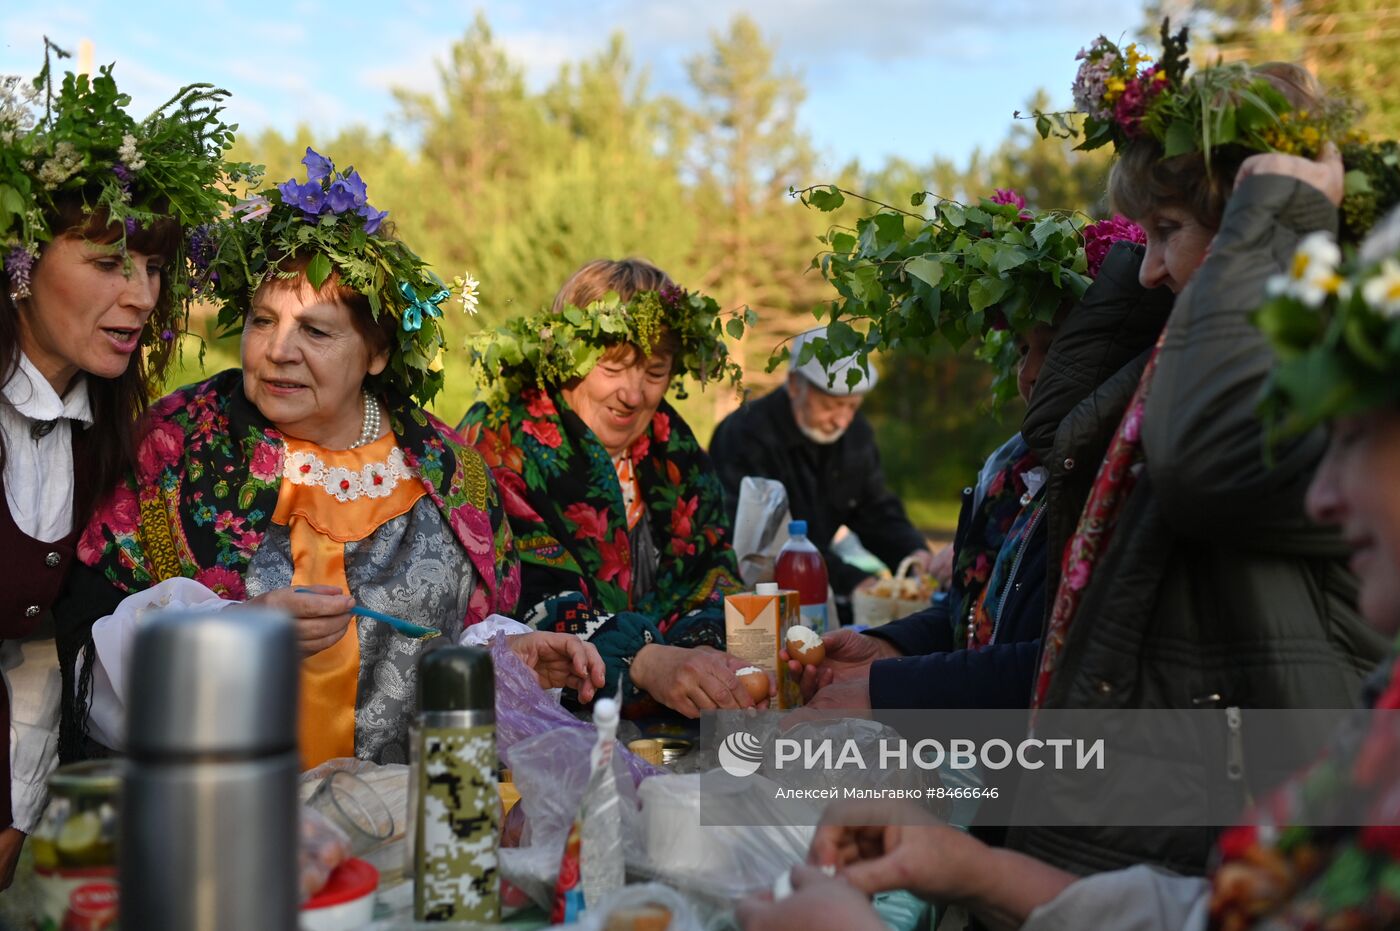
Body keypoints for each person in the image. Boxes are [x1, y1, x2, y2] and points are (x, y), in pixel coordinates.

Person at [737, 203, 1400, 931]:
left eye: (1355, 436)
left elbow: (1057, 656)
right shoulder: (1380, 723)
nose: (1323, 494)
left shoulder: (1153, 478)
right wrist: (970, 867)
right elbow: (1212, 913)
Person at [60, 150, 604, 771]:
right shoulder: (174, 447)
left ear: (376, 353)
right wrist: (229, 638)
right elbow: (82, 657)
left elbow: (458, 637)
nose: (277, 352)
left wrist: (507, 660)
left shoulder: (449, 471)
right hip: (223, 819)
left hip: (400, 825)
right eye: (263, 321)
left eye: (316, 332)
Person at [0, 55, 240, 887]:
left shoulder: (107, 428)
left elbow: (46, 633)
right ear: (19, 263)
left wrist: (17, 806)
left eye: (153, 269)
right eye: (109, 264)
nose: (142, 297)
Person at [794, 217, 1165, 715]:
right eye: (1022, 350)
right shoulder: (1018, 473)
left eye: (1053, 349)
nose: (1029, 373)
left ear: (1105, 346)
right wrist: (887, 648)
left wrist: (886, 689)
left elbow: (1067, 665)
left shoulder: (1121, 481)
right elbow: (976, 619)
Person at [459, 259, 755, 718]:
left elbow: (711, 569)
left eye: (654, 373)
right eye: (613, 367)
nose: (633, 395)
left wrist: (703, 657)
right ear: (563, 356)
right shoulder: (501, 439)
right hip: (542, 727)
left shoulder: (672, 447)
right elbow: (519, 595)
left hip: (674, 721)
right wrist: (642, 658)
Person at [709, 326, 935, 621]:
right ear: (794, 385)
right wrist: (852, 580)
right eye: (831, 405)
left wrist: (912, 553)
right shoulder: (744, 434)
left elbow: (875, 509)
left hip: (824, 590)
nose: (842, 419)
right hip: (753, 600)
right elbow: (757, 541)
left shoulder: (855, 435)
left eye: (852, 406)